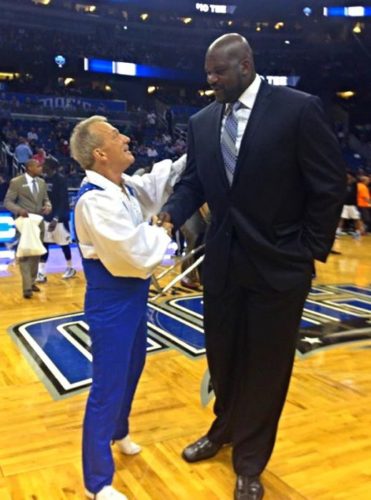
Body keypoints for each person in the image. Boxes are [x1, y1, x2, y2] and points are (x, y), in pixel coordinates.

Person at [157, 34, 346, 500]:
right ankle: (223, 429)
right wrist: (168, 215)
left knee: (266, 365)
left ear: (245, 65)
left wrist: (307, 248)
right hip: (221, 261)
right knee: (223, 357)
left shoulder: (297, 109)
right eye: (208, 73)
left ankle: (250, 460)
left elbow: (328, 185)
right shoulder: (202, 121)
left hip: (280, 265)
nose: (211, 80)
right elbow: (194, 183)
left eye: (219, 72)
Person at [70, 115, 185, 500]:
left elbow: (156, 185)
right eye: (117, 135)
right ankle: (97, 482)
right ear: (101, 153)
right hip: (111, 303)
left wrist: (194, 152)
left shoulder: (123, 187)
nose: (126, 137)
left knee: (133, 368)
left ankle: (120, 432)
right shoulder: (95, 201)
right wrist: (164, 231)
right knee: (107, 385)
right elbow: (132, 255)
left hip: (133, 298)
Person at [4, 159, 51, 298]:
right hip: (24, 223)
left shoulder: (42, 183)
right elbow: (8, 202)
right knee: (25, 254)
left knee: (36, 253)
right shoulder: (16, 182)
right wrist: (19, 210)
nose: (41, 168)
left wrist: (48, 206)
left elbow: (46, 199)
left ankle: (31, 281)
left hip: (38, 223)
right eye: (38, 166)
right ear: (29, 167)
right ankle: (26, 288)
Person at [36, 156, 76, 282]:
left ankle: (70, 267)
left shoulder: (60, 180)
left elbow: (63, 201)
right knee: (44, 244)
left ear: (51, 167)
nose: (43, 167)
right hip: (47, 217)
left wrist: (55, 218)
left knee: (64, 244)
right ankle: (41, 272)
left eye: (45, 165)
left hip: (59, 218)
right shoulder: (44, 180)